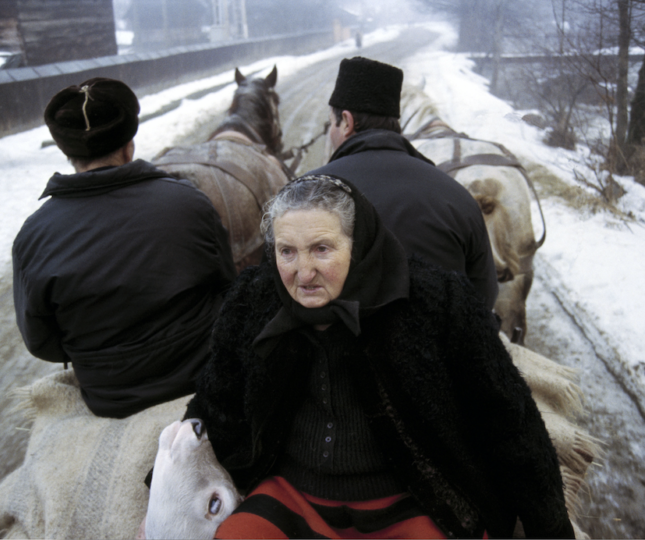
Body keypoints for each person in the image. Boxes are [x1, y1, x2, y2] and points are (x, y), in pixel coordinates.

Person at [184, 174, 575, 539]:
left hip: (409, 497)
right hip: (292, 492)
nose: (303, 273)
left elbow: (508, 418)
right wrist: (169, 481)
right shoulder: (253, 298)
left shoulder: (435, 300)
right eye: (287, 251)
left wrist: (550, 527)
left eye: (321, 249)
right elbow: (217, 398)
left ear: (360, 244)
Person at [12, 77, 236, 419]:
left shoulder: (33, 236)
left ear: (67, 153)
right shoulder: (188, 202)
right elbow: (228, 284)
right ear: (129, 146)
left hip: (110, 399)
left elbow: (41, 342)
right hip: (202, 376)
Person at [309, 56, 499, 310]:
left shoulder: (305, 194)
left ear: (346, 122)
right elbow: (484, 296)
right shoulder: (456, 196)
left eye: (331, 124)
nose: (331, 133)